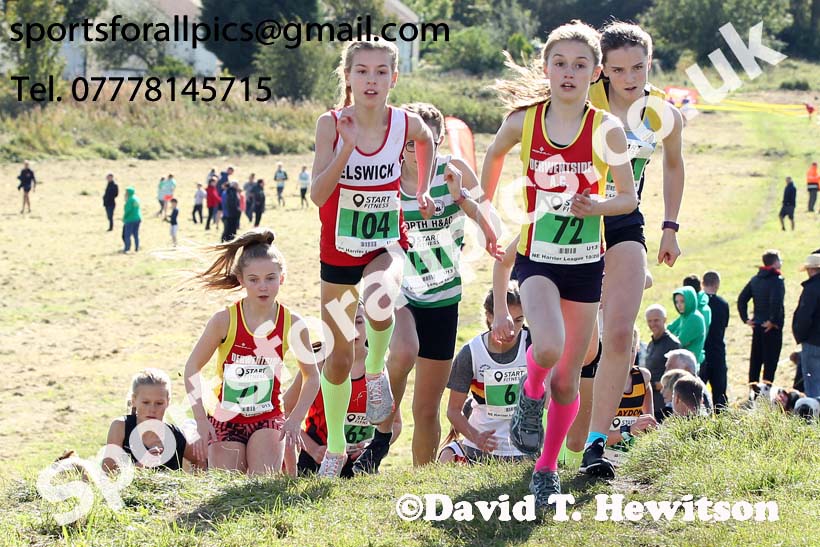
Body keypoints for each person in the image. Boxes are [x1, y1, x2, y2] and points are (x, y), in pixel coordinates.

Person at [481, 21, 638, 508]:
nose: (569, 72)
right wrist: (488, 212)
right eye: (560, 63)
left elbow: (628, 199)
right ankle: (530, 395)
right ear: (546, 68)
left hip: (585, 265)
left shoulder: (605, 129)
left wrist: (598, 207)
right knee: (545, 347)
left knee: (570, 378)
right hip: (537, 259)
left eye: (580, 65)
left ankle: (545, 470)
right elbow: (492, 156)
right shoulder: (524, 121)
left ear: (595, 74)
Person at [309, 39, 437, 477]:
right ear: (348, 77)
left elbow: (428, 138)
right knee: (339, 358)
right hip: (338, 252)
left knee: (382, 294)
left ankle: (378, 371)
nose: (371, 80)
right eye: (362, 71)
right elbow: (317, 194)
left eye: (381, 72)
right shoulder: (330, 124)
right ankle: (337, 448)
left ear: (394, 79)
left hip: (385, 242)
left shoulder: (405, 123)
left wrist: (421, 188)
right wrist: (345, 148)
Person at [353, 102, 500, 472]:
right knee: (403, 351)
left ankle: (421, 478)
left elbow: (493, 227)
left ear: (437, 142)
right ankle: (383, 434)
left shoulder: (454, 170)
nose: (418, 154)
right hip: (398, 289)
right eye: (410, 145)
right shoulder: (381, 177)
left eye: (428, 145)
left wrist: (461, 197)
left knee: (427, 408)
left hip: (443, 296)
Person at [579, 21, 686, 480]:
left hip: (624, 219)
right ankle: (536, 401)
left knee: (619, 334)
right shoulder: (583, 99)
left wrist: (670, 228)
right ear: (603, 69)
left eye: (638, 67)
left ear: (650, 63)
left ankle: (596, 444)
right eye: (618, 69)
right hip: (572, 220)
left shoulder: (661, 113)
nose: (629, 77)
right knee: (579, 348)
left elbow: (674, 165)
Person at [183, 229, 320, 475]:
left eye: (270, 278)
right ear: (241, 280)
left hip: (267, 418)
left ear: (282, 278)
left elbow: (312, 376)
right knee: (228, 492)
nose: (263, 287)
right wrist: (201, 421)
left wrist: (295, 418)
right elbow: (191, 369)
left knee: (260, 489)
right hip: (225, 420)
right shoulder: (224, 320)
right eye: (254, 279)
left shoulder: (293, 323)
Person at [438, 284, 531, 464]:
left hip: (525, 451)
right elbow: (453, 410)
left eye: (519, 320)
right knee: (446, 457)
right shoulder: (471, 353)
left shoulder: (534, 345)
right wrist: (476, 437)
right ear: (489, 317)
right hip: (479, 450)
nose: (512, 329)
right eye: (507, 320)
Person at [102, 368, 204, 472]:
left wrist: (195, 484)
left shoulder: (175, 436)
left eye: (159, 403)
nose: (152, 409)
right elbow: (108, 473)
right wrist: (141, 465)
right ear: (134, 401)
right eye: (146, 402)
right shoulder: (120, 427)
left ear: (168, 402)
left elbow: (200, 460)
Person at [738, 250, 786, 384]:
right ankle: (766, 392)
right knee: (770, 363)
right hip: (771, 328)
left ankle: (752, 391)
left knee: (755, 361)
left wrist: (746, 319)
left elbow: (742, 299)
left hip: (757, 325)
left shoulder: (755, 279)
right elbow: (776, 302)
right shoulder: (777, 280)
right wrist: (773, 321)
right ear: (775, 262)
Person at [644, 304, 681, 421]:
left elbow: (676, 376)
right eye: (649, 321)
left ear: (665, 320)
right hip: (651, 403)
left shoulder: (673, 344)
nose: (652, 324)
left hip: (665, 405)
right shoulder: (651, 344)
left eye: (656, 320)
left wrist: (653, 385)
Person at [701, 271, 729, 410]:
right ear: (717, 284)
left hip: (701, 353)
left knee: (698, 395)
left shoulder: (698, 304)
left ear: (702, 283)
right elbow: (723, 326)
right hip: (717, 352)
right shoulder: (723, 304)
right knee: (720, 394)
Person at [793, 252, 820, 397]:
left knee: (813, 384)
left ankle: (814, 418)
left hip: (813, 342)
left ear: (811, 269)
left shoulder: (811, 289)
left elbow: (804, 317)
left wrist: (800, 336)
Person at [668, 286, 706, 367]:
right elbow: (668, 330)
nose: (679, 305)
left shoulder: (694, 318)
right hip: (681, 362)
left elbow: (679, 342)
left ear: (690, 300)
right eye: (676, 302)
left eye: (682, 301)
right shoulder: (684, 316)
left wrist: (672, 336)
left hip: (689, 365)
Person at [122, 186, 141, 253]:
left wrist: (124, 218)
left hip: (130, 219)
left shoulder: (130, 200)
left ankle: (127, 248)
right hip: (138, 218)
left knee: (127, 235)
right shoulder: (136, 198)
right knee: (136, 234)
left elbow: (128, 210)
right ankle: (137, 247)